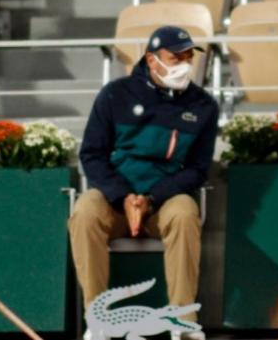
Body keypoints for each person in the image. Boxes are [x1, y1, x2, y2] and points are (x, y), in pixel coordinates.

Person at [68, 26, 217, 340]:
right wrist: (123, 197)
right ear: (152, 60)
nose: (184, 64)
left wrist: (151, 199)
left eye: (188, 57)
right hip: (115, 200)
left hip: (164, 200)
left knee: (184, 213)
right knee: (84, 213)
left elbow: (197, 169)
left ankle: (183, 322)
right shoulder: (115, 94)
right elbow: (92, 154)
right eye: (176, 57)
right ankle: (98, 320)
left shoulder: (203, 105)